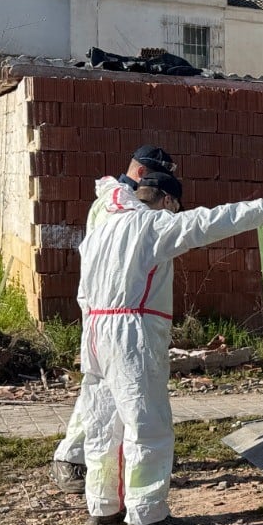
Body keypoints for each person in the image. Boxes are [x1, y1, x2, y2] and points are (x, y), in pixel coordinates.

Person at [79, 170, 263, 525]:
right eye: (176, 207)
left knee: (103, 422)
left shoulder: (100, 230)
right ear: (169, 201)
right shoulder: (151, 226)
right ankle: (146, 516)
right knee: (147, 423)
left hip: (94, 330)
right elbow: (207, 223)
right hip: (133, 331)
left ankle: (102, 506)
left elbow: (83, 292)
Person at [50, 147, 179, 493]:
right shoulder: (118, 205)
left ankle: (105, 487)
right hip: (114, 312)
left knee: (109, 398)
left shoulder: (118, 201)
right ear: (141, 175)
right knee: (111, 402)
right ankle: (72, 458)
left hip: (107, 311)